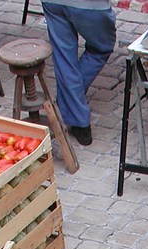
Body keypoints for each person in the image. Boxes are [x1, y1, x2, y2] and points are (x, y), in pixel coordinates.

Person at [40, 0, 116, 146]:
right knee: (101, 48)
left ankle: (72, 109)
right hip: (90, 5)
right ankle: (79, 121)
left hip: (53, 3)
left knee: (64, 58)